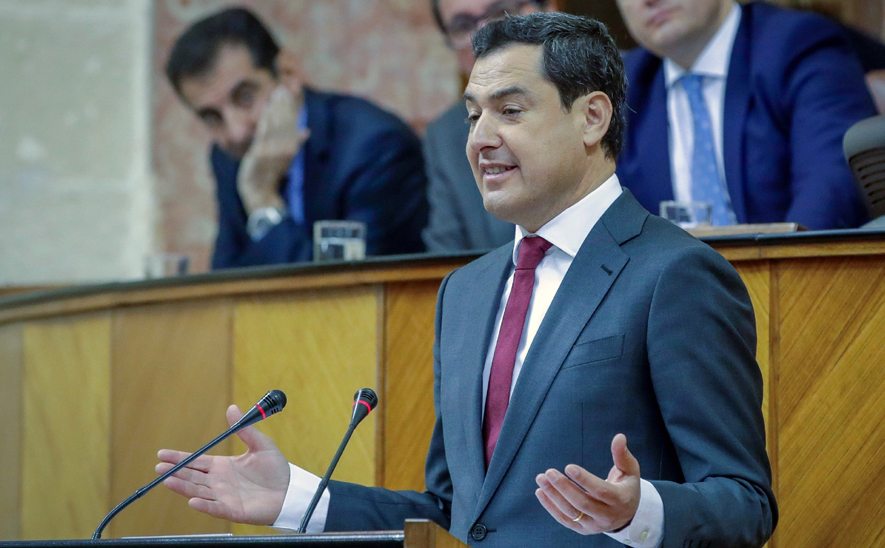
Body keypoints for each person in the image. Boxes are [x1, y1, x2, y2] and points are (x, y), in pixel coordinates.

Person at [157, 13, 777, 547]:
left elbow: (745, 502)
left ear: (591, 118)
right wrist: (298, 498)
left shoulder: (675, 273)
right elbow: (457, 516)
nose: (480, 139)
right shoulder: (466, 292)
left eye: (510, 110)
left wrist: (639, 512)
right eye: (473, 115)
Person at [166, 8, 429, 269]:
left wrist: (262, 201)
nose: (236, 131)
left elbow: (345, 293)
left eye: (245, 97)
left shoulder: (376, 146)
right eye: (212, 117)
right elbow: (227, 281)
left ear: (288, 73)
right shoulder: (227, 155)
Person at [615, 0, 877, 230]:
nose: (648, 0)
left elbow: (829, 187)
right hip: (674, 285)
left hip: (789, 279)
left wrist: (780, 279)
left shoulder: (799, 45)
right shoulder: (620, 88)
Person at [422, 0, 553, 253]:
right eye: (463, 25)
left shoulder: (624, 93)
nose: (484, 35)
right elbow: (446, 265)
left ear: (549, 10)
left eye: (502, 13)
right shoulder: (447, 136)